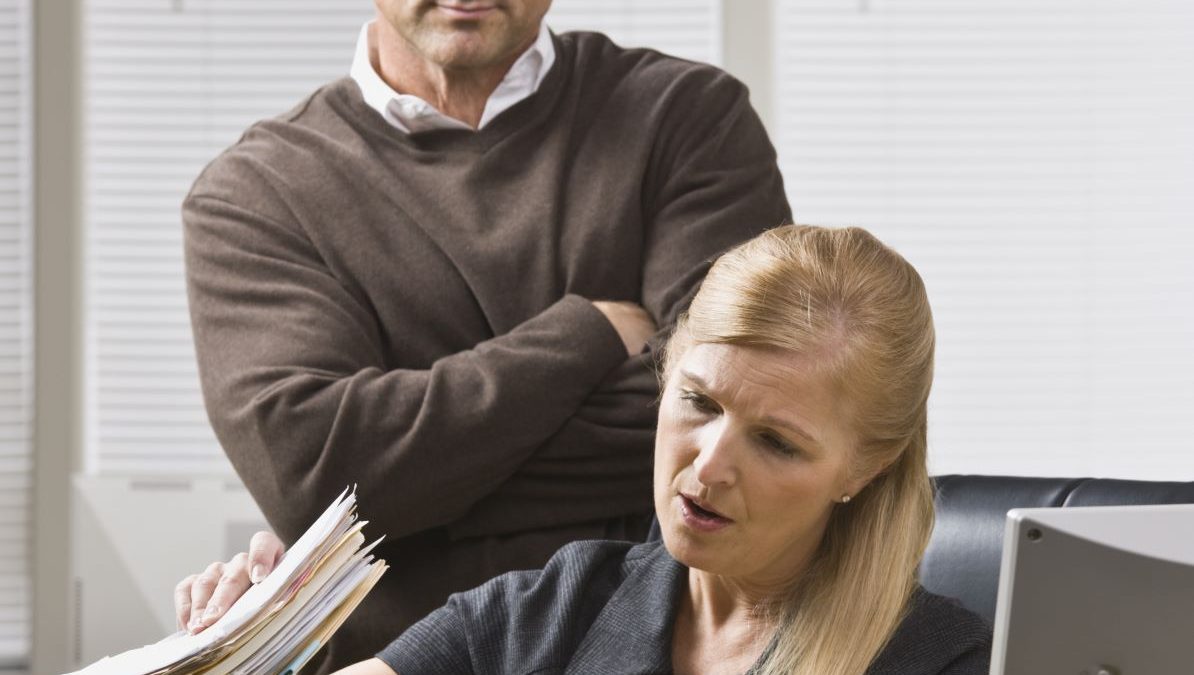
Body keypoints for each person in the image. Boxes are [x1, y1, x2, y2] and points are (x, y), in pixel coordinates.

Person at [177, 0, 790, 670]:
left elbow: (736, 417)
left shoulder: (687, 117)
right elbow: (316, 471)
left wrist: (405, 497)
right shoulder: (255, 193)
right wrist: (586, 331)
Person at [183, 225, 992, 674]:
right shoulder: (561, 604)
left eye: (777, 442)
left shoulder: (942, 661)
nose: (708, 466)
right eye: (698, 402)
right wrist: (247, 651)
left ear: (865, 467)